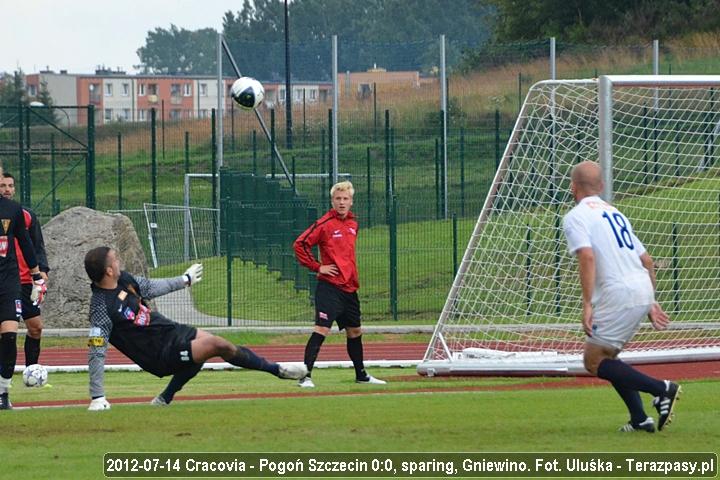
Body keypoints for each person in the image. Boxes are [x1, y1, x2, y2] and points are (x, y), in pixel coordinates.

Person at [83, 246, 307, 410]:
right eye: (115, 259)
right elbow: (96, 351)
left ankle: (163, 400)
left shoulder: (125, 279)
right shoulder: (101, 308)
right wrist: (97, 396)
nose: (119, 261)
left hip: (170, 330)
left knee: (213, 346)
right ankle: (276, 370)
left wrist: (185, 280)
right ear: (108, 271)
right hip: (158, 353)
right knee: (216, 344)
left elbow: (152, 287)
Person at [562, 160, 681, 433]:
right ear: (601, 186)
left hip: (619, 293)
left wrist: (587, 304)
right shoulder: (615, 213)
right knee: (608, 355)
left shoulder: (575, 216)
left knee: (593, 361)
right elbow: (647, 260)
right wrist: (650, 301)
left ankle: (662, 389)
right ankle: (640, 419)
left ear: (573, 188)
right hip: (641, 287)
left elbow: (587, 257)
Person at [293, 181, 385, 388]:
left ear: (351, 202)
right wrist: (318, 267)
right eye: (338, 199)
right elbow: (300, 244)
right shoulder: (324, 224)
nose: (342, 202)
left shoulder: (353, 224)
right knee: (321, 329)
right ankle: (305, 377)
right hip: (329, 288)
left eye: (345, 199)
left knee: (355, 332)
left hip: (349, 288)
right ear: (332, 201)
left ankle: (361, 375)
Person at [0, 166, 46, 410]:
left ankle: (8, 389)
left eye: (8, 184)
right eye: (2, 184)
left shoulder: (18, 212)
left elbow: (31, 244)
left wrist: (38, 274)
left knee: (17, 333)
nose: (5, 188)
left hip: (13, 282)